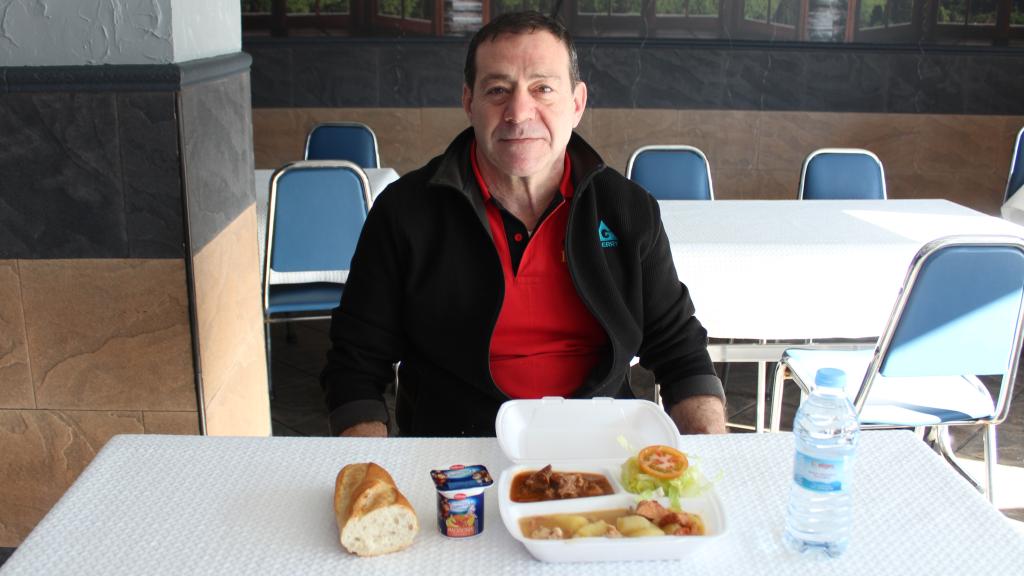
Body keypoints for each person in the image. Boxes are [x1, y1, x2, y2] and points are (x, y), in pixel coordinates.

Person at [320, 11, 726, 437]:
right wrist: (373, 474)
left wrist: (716, 456)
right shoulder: (406, 212)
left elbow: (680, 349)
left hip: (600, 444)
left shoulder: (626, 208)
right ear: (468, 101)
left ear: (576, 103)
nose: (518, 111)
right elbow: (355, 364)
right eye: (497, 89)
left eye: (542, 88)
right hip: (454, 451)